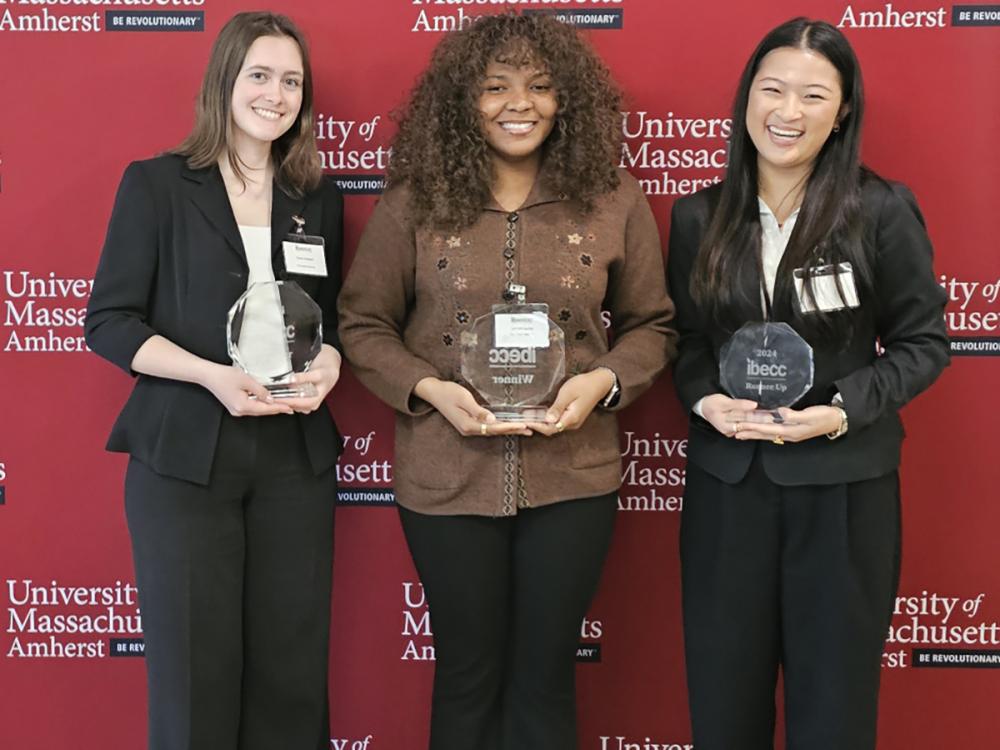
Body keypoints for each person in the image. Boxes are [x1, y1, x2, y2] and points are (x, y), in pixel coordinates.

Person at [338, 13, 674, 750]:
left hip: (573, 477)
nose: (518, 104)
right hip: (445, 477)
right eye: (495, 87)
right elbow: (362, 324)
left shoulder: (613, 198)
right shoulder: (415, 202)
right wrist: (431, 390)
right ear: (464, 99)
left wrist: (604, 384)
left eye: (540, 86)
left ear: (567, 101)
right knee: (466, 673)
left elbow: (654, 324)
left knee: (546, 674)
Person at [666, 17, 950, 750]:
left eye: (813, 95)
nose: (787, 112)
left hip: (843, 491)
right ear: (746, 97)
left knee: (834, 711)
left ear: (843, 110)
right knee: (724, 712)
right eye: (773, 90)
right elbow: (688, 343)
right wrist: (704, 399)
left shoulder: (879, 211)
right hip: (729, 491)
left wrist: (842, 411)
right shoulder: (699, 215)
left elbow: (924, 345)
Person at [84, 12, 343, 750]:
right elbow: (108, 322)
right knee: (195, 679)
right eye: (260, 75)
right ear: (224, 81)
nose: (276, 93)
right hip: (186, 457)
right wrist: (211, 376)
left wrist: (329, 365)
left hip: (295, 459)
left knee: (292, 677)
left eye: (292, 80)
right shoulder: (160, 184)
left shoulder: (315, 198)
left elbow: (329, 321)